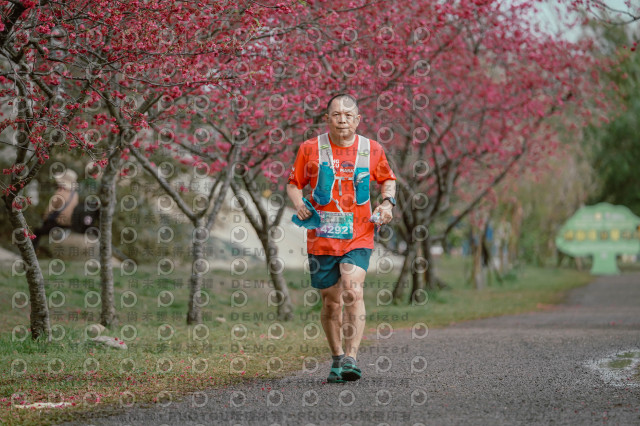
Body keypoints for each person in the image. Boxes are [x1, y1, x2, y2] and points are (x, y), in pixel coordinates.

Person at [287, 94, 397, 383]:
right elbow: (294, 184)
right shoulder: (310, 148)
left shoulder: (371, 149)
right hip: (322, 237)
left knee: (352, 288)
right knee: (331, 302)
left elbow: (388, 179)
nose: (342, 119)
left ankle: (351, 357)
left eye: (348, 115)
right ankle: (337, 358)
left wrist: (387, 203)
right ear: (327, 119)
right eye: (336, 114)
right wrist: (298, 203)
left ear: (358, 120)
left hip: (359, 234)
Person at [33, 169, 79, 250]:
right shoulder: (75, 195)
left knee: (37, 231)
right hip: (69, 224)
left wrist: (44, 218)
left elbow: (50, 209)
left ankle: (32, 250)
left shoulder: (59, 192)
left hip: (57, 223)